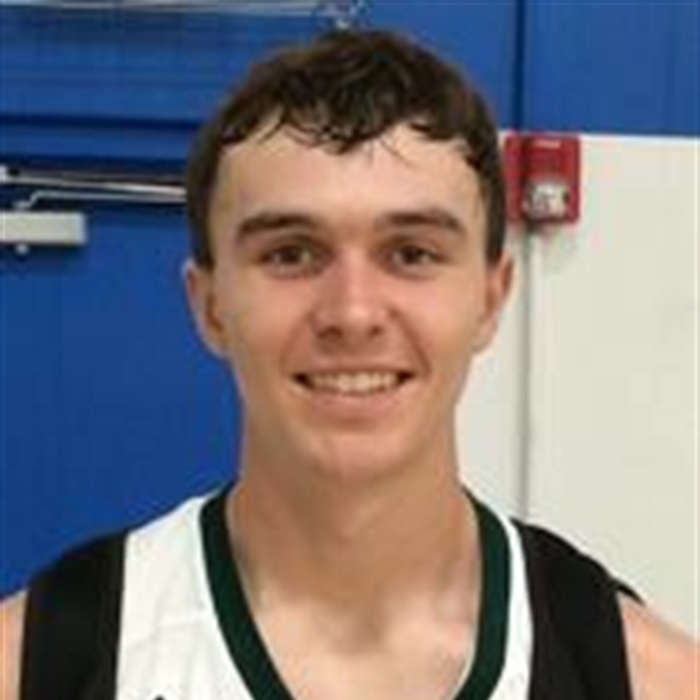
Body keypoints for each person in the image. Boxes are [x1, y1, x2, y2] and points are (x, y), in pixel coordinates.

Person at [1, 29, 697, 700]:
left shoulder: (651, 680)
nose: (353, 312)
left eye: (412, 254)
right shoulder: (37, 665)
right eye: (291, 254)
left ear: (491, 299)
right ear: (209, 306)